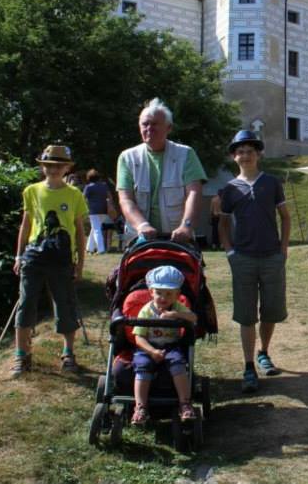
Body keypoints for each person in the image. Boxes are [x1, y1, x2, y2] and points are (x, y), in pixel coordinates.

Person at [218, 130, 291, 394]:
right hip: (243, 259)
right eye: (240, 151)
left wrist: (283, 249)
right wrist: (229, 252)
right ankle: (249, 366)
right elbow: (223, 223)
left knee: (270, 311)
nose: (245, 155)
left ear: (258, 154)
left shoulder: (271, 183)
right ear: (234, 156)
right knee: (246, 315)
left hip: (272, 257)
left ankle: (264, 353)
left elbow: (285, 216)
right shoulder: (229, 189)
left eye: (250, 150)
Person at [12, 144, 88, 376]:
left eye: (58, 166)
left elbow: (79, 231)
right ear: (42, 166)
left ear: (66, 168)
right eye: (49, 165)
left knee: (64, 304)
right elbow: (26, 225)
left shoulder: (74, 194)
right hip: (34, 256)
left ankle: (68, 353)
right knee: (25, 304)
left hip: (62, 258)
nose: (53, 170)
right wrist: (19, 254)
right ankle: (21, 355)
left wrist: (80, 263)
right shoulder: (32, 191)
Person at [117, 98, 207, 245]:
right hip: (139, 238)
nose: (149, 128)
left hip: (177, 237)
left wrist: (186, 226)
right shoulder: (127, 157)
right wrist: (142, 225)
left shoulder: (186, 154)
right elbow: (125, 199)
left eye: (155, 124)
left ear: (169, 128)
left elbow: (194, 193)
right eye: (145, 124)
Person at [131, 265, 199, 425]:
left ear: (177, 295)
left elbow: (193, 318)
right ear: (151, 292)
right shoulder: (146, 311)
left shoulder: (177, 308)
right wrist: (152, 351)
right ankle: (140, 407)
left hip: (171, 346)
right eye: (159, 293)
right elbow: (138, 338)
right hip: (147, 347)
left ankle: (185, 403)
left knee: (178, 363)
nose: (163, 297)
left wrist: (176, 315)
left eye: (169, 294)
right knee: (142, 366)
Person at [83, 169, 112, 254]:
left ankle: (101, 249)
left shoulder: (88, 187)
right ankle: (89, 248)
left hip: (93, 211)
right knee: (95, 228)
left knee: (96, 229)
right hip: (104, 210)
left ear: (89, 178)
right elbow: (109, 196)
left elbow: (83, 198)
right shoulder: (104, 185)